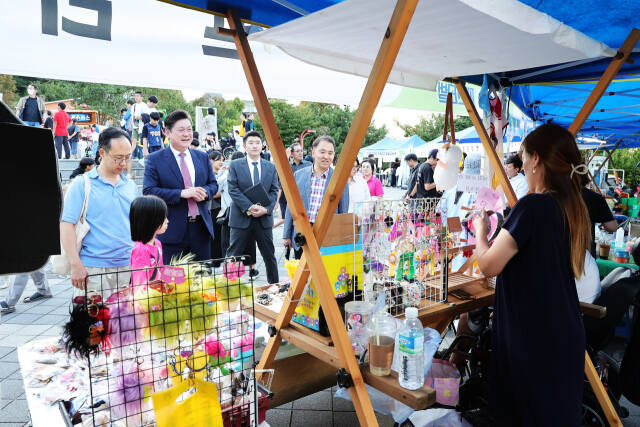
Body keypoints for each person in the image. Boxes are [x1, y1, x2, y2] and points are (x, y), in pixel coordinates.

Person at [471, 123, 588, 425]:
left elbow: (487, 265)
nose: (521, 164)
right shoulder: (571, 207)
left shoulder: (534, 205)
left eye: (522, 157)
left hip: (533, 338)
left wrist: (480, 232)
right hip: (561, 332)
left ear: (536, 159)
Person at [60, 127, 138, 297]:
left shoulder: (130, 186)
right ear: (102, 152)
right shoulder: (82, 184)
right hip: (93, 269)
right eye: (118, 158)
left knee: (125, 322)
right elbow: (66, 225)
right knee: (92, 322)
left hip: (127, 267)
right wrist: (75, 264)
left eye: (127, 157)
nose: (123, 164)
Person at [143, 110, 218, 263]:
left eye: (189, 129)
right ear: (167, 132)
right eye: (181, 130)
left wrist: (205, 192)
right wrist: (181, 193)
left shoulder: (202, 157)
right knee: (173, 282)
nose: (186, 134)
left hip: (201, 229)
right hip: (171, 231)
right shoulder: (155, 159)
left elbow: (213, 184)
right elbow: (148, 191)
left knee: (203, 282)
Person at [227, 131, 280, 283]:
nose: (254, 145)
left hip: (263, 219)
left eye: (257, 142)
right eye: (251, 142)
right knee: (233, 255)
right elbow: (233, 189)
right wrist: (249, 207)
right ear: (244, 146)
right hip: (241, 217)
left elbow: (274, 190)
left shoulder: (270, 167)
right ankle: (228, 288)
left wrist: (267, 209)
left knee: (269, 255)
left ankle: (274, 287)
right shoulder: (236, 165)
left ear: (263, 145)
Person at [284, 135, 349, 259]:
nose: (326, 156)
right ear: (313, 152)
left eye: (330, 153)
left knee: (324, 275)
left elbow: (343, 212)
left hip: (327, 236)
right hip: (302, 234)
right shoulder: (298, 175)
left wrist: (340, 240)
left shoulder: (340, 180)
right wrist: (286, 234)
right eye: (322, 152)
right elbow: (290, 207)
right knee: (301, 274)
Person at [219, 151, 258, 274]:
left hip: (229, 214)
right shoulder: (249, 176)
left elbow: (216, 188)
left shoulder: (226, 176)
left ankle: (232, 273)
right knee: (249, 242)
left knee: (230, 245)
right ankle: (252, 269)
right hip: (247, 213)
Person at [129, 195, 169, 285]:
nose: (167, 221)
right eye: (164, 217)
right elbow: (139, 284)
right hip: (147, 297)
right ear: (152, 220)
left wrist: (182, 277)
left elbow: (160, 270)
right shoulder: (140, 250)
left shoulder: (157, 243)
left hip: (157, 295)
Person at [580, 174, 617, 257]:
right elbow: (612, 227)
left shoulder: (552, 196)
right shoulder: (594, 197)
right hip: (585, 256)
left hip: (556, 256)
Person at [277, 143, 311, 227]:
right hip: (288, 200)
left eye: (301, 151)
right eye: (297, 151)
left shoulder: (309, 165)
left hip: (304, 200)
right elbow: (280, 182)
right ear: (292, 153)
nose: (300, 153)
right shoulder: (288, 166)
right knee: (288, 224)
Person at [208, 150, 225, 263]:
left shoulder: (223, 174)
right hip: (213, 208)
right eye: (218, 160)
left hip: (223, 208)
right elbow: (211, 195)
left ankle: (220, 257)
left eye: (223, 160)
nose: (221, 162)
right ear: (211, 161)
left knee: (221, 235)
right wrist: (223, 191)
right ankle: (215, 259)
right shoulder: (209, 175)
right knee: (214, 234)